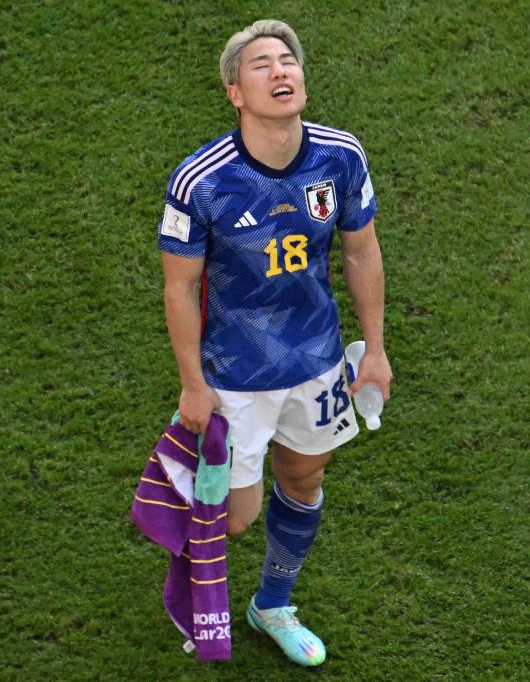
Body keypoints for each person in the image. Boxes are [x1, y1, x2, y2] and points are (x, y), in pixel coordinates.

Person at [157, 19, 392, 667]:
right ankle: (190, 590)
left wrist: (373, 348)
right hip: (234, 377)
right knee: (232, 517)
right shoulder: (201, 180)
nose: (280, 71)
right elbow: (179, 288)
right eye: (261, 65)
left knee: (304, 478)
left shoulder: (340, 156)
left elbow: (361, 249)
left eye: (288, 61)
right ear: (236, 92)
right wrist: (193, 384)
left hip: (316, 363)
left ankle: (272, 605)